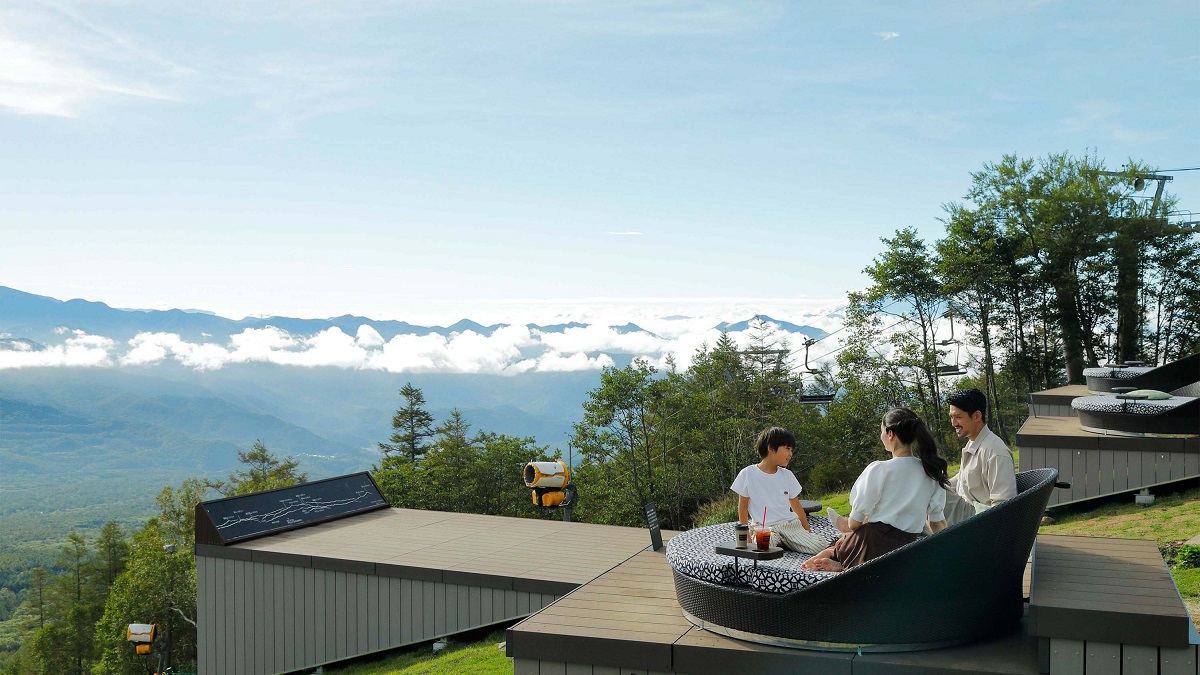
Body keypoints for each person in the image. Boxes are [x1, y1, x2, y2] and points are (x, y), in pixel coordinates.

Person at [802, 408, 948, 572]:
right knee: (849, 539)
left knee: (840, 543)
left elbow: (854, 523)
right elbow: (936, 523)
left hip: (872, 544)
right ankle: (842, 560)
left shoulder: (879, 470)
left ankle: (840, 561)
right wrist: (946, 552)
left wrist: (856, 524)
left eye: (881, 432)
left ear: (890, 434)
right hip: (906, 547)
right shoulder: (932, 472)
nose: (881, 437)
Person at [942, 388, 1017, 526]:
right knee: (930, 489)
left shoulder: (995, 452)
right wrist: (939, 483)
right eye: (951, 417)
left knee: (929, 496)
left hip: (978, 523)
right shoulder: (974, 443)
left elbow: (1004, 504)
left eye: (958, 417)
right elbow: (963, 479)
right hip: (967, 516)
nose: (953, 423)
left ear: (977, 416)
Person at [730, 427, 813, 551]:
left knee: (818, 547)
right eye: (787, 448)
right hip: (763, 528)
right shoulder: (747, 474)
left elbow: (796, 506)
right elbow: (742, 507)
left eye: (791, 450)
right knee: (763, 548)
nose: (791, 453)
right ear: (771, 448)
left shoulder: (787, 475)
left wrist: (808, 532)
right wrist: (746, 535)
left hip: (789, 526)